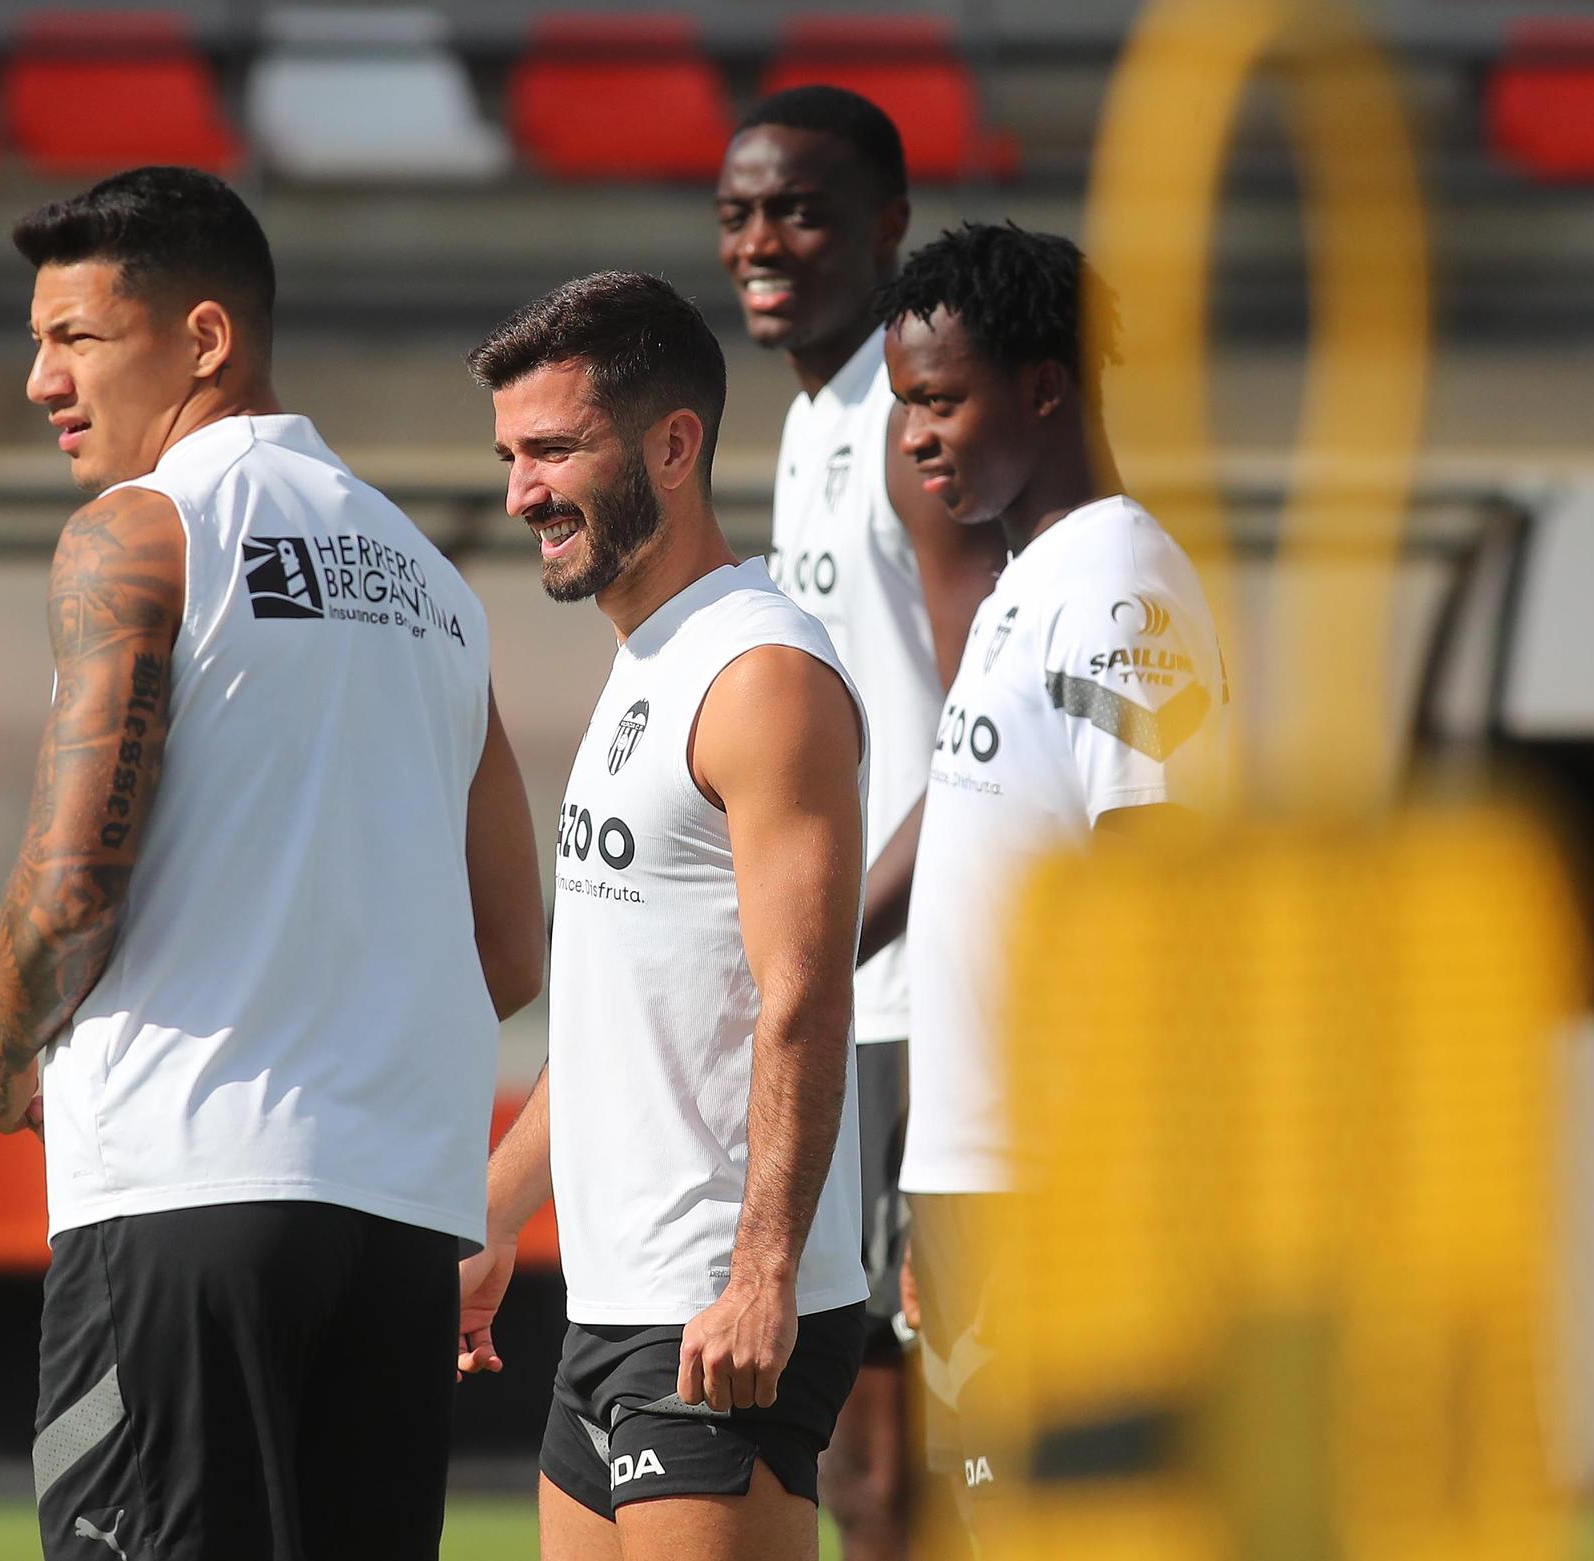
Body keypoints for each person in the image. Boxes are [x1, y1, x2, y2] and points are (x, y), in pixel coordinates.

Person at [0, 165, 546, 1561]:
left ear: (205, 338)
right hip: (399, 1226)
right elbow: (511, 950)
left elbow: (73, 882)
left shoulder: (141, 532)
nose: (40, 379)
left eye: (76, 338)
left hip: (182, 1195)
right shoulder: (435, 583)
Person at [459, 271, 870, 1561]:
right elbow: (614, 1024)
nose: (525, 490)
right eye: (512, 456)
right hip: (610, 1304)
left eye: (555, 449)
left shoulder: (760, 675)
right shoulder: (649, 662)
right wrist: (493, 1216)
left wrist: (761, 1281)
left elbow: (805, 995)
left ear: (674, 446)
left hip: (715, 1311)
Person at [881, 222, 1229, 1552]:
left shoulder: (1125, 588)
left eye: (941, 398)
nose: (916, 435)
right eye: (906, 403)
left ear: (1042, 387)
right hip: (981, 1182)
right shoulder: (1031, 584)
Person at [716, 86, 1008, 1558]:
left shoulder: (910, 420)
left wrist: (822, 953)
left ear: (889, 225)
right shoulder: (808, 419)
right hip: (846, 994)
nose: (761, 240)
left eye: (801, 208)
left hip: (904, 1002)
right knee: (850, 1435)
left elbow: (981, 731)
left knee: (916, 1451)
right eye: (739, 214)